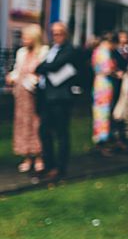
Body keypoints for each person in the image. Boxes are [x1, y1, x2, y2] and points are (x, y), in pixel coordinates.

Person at [33, 21, 88, 180]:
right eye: (53, 33)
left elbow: (52, 66)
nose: (56, 36)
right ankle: (48, 163)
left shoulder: (70, 50)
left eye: (59, 33)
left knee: (61, 133)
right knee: (44, 131)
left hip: (60, 97)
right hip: (46, 96)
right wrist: (44, 67)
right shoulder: (52, 50)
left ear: (66, 34)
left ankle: (60, 167)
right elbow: (41, 66)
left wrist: (45, 67)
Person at [8, 23, 43, 174]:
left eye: (26, 37)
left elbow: (43, 74)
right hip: (21, 95)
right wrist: (12, 77)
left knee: (36, 124)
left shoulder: (42, 52)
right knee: (22, 124)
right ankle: (27, 157)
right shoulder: (21, 52)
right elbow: (17, 69)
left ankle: (39, 156)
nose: (23, 40)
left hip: (35, 95)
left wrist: (32, 81)